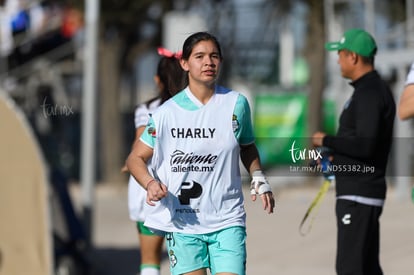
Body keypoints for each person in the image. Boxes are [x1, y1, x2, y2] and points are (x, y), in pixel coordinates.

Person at [126, 31, 275, 275]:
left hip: (227, 220)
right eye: (200, 56)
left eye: (214, 56)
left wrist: (258, 177)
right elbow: (135, 158)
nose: (208, 62)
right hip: (184, 224)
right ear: (184, 63)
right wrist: (150, 183)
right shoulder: (166, 113)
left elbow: (246, 146)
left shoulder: (236, 104)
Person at [312, 28, 395, 275]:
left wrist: (325, 139)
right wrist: (332, 158)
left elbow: (366, 145)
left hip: (359, 196)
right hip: (359, 193)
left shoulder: (370, 93)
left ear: (354, 57)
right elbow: (360, 145)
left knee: (350, 268)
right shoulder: (367, 90)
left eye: (340, 54)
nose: (337, 60)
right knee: (367, 268)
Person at [124, 48, 187, 275]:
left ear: (157, 80)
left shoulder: (147, 109)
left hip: (148, 187)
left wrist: (131, 160)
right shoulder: (189, 109)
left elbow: (140, 145)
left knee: (150, 259)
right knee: (185, 258)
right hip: (183, 187)